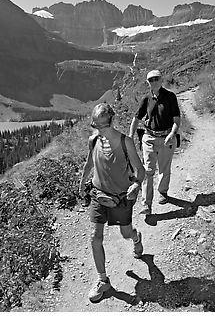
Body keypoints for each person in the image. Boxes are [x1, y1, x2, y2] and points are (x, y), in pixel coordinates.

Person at [78, 103, 146, 303]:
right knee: (95, 237)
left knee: (125, 234)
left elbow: (139, 170)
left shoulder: (126, 142)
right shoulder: (94, 141)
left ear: (112, 121)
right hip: (99, 196)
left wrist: (137, 184)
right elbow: (90, 163)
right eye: (96, 126)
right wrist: (82, 183)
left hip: (121, 198)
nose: (101, 131)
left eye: (103, 126)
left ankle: (135, 237)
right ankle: (102, 280)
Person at [129, 69, 181, 215]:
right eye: (151, 80)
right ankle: (146, 204)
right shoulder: (146, 98)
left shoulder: (170, 97)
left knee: (164, 168)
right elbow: (136, 118)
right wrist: (130, 135)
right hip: (149, 138)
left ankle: (162, 192)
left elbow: (176, 119)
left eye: (156, 78)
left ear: (161, 79)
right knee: (147, 170)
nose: (154, 81)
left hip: (166, 138)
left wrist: (172, 133)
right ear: (148, 82)